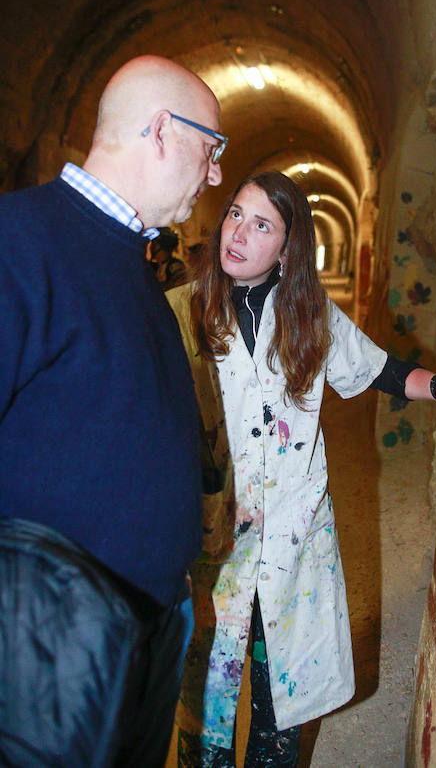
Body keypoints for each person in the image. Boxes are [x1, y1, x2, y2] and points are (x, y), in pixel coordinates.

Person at [166, 171, 436, 767]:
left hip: (295, 541)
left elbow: (380, 370)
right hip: (210, 544)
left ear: (288, 248)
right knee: (206, 712)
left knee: (282, 705)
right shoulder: (180, 314)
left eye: (261, 225)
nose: (238, 233)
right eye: (236, 214)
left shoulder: (311, 317)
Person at [0, 54, 227, 768]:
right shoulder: (19, 242)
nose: (215, 172)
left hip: (150, 625)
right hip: (47, 650)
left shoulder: (135, 261)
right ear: (162, 131)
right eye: (211, 149)